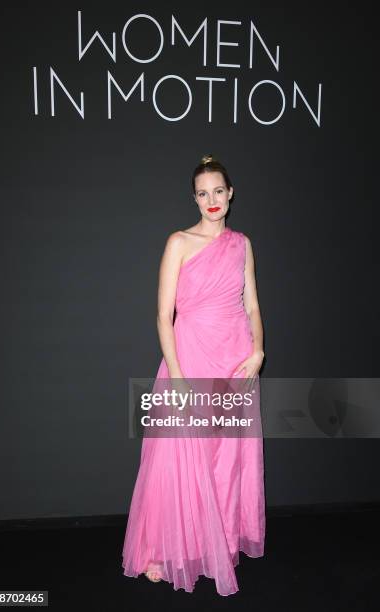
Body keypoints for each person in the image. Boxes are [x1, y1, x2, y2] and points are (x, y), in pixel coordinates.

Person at [122, 154, 266, 596]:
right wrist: (179, 377)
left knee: (226, 462)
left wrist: (259, 350)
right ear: (195, 198)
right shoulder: (179, 242)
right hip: (190, 361)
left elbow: (253, 305)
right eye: (203, 193)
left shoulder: (241, 244)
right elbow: (164, 316)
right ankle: (163, 551)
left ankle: (215, 545)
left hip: (234, 359)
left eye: (218, 191)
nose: (212, 200)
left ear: (231, 193)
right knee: (179, 461)